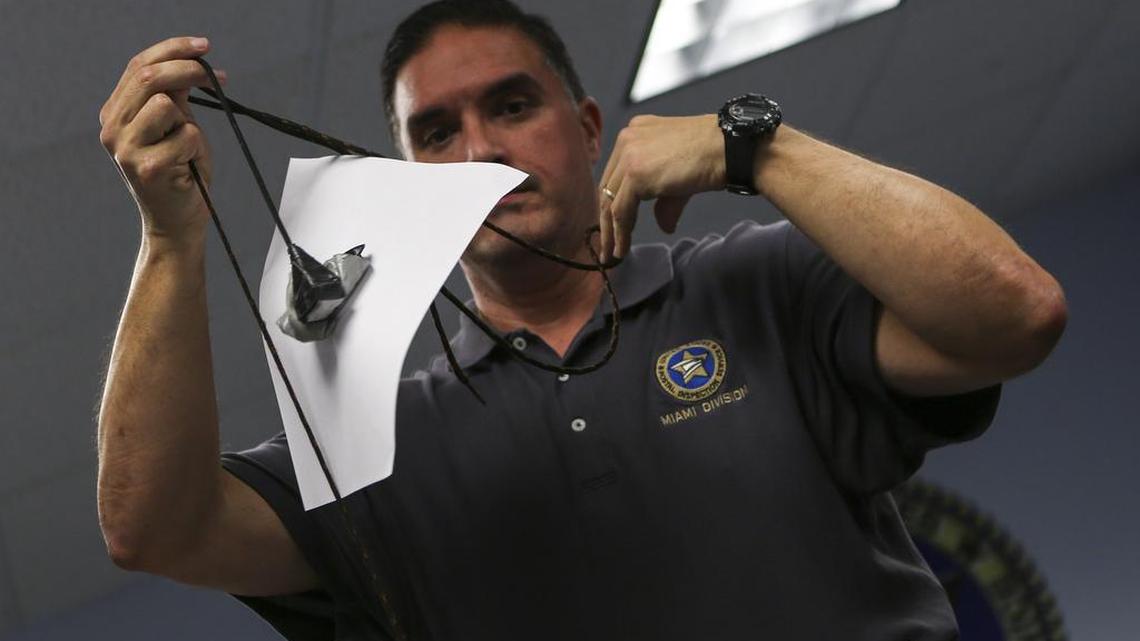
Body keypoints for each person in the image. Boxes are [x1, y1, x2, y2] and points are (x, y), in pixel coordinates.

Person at [95, 1, 1067, 639]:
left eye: (512, 104)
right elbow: (156, 529)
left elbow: (1011, 312)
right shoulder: (373, 435)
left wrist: (756, 149)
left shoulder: (754, 282)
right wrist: (171, 241)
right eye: (436, 132)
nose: (479, 147)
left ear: (589, 126)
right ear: (402, 171)